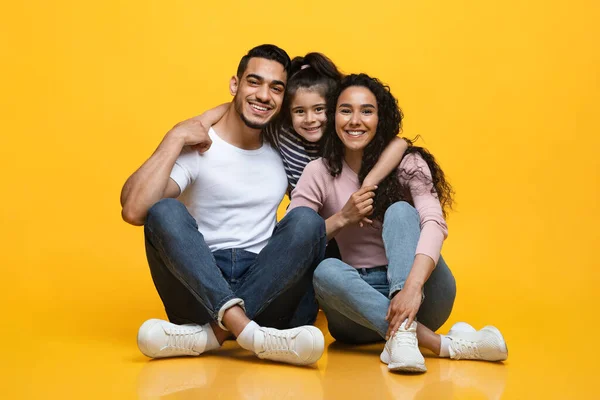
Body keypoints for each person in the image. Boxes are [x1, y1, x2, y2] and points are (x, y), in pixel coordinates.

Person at [120, 44, 327, 366]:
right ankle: (250, 333)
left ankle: (212, 335)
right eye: (254, 82)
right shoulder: (200, 146)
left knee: (307, 220)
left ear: (284, 99)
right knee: (163, 209)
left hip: (268, 285)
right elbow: (134, 210)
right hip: (199, 285)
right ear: (235, 85)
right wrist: (174, 137)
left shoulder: (282, 147)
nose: (263, 95)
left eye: (276, 88)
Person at [289, 73, 508, 372]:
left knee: (402, 211)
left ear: (381, 118)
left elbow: (434, 222)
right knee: (325, 270)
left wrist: (412, 288)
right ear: (333, 117)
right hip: (354, 307)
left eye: (367, 111)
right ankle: (442, 344)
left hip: (423, 296)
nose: (355, 120)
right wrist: (343, 218)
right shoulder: (319, 172)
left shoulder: (407, 164)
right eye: (345, 110)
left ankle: (407, 335)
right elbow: (292, 242)